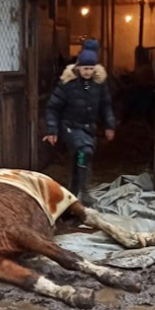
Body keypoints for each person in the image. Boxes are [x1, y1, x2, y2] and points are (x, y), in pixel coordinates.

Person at [43, 39, 116, 199]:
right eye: (85, 68)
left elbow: (106, 104)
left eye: (91, 68)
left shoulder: (98, 83)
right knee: (84, 151)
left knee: (81, 157)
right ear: (78, 67)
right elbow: (53, 107)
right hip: (70, 126)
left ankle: (74, 190)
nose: (88, 72)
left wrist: (110, 125)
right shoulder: (68, 83)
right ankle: (83, 190)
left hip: (88, 127)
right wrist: (52, 130)